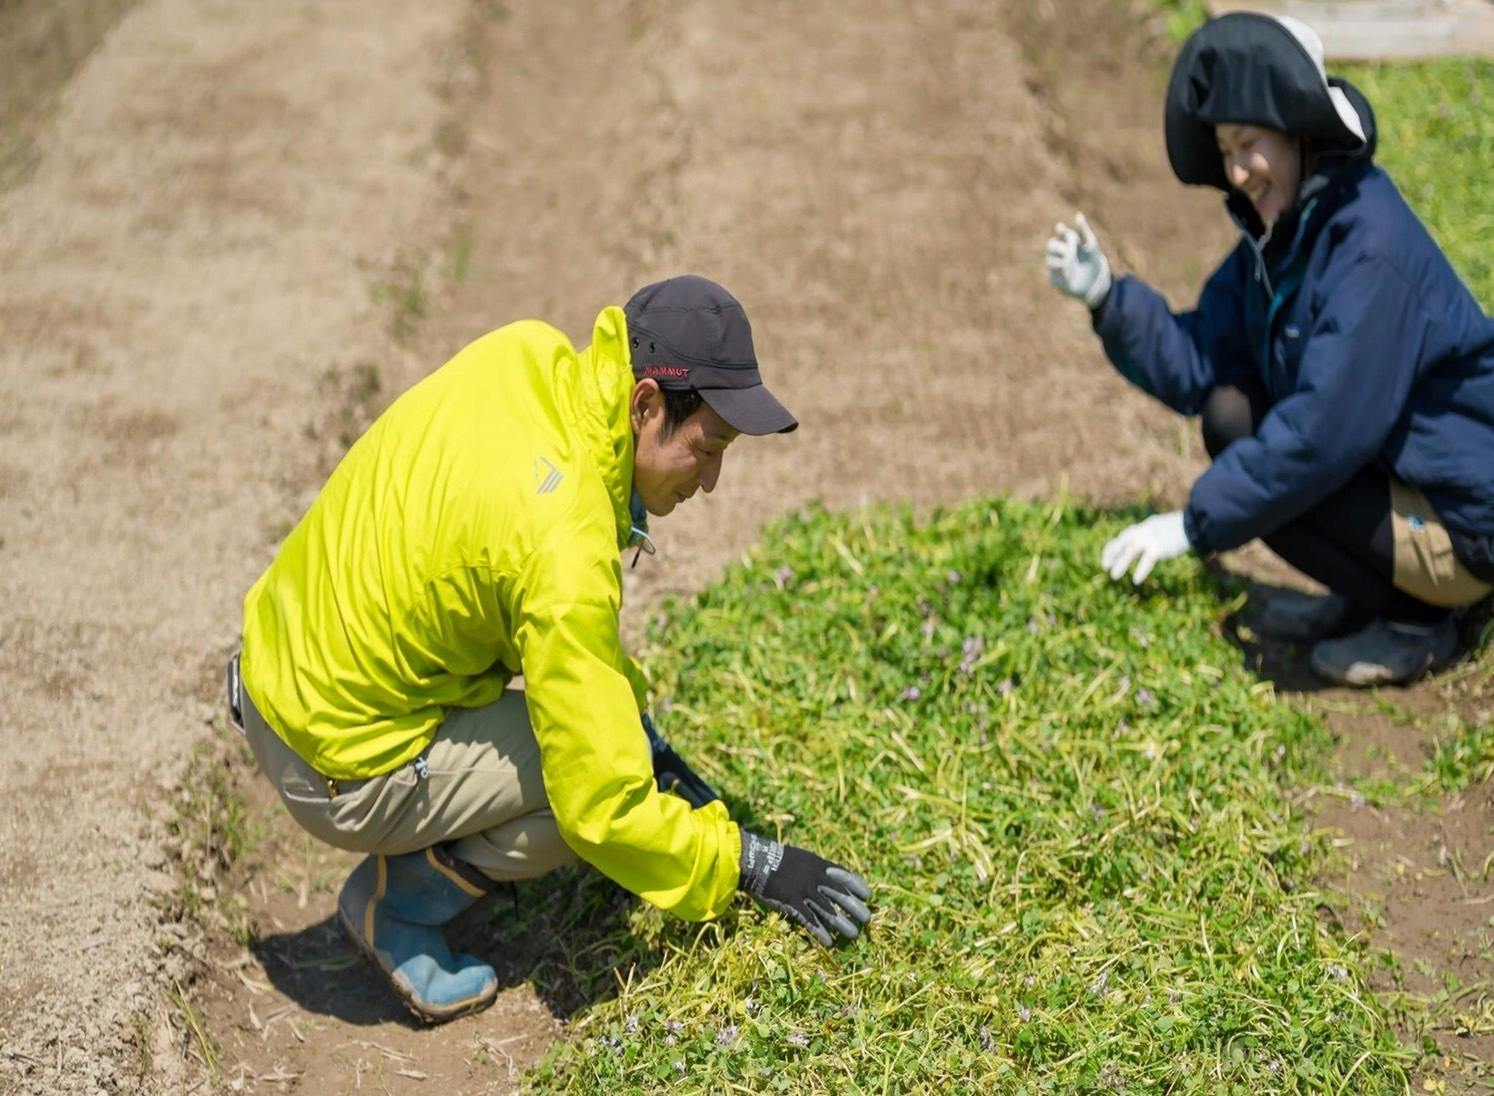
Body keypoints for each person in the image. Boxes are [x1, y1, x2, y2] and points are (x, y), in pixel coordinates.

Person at [229, 275, 872, 1023]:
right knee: (574, 787)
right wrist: (750, 864)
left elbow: (514, 592)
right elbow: (601, 804)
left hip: (278, 657)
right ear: (645, 405)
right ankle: (396, 910)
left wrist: (634, 722)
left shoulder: (528, 356)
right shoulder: (564, 541)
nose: (714, 481)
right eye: (706, 449)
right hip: (329, 755)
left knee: (611, 736)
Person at [1044, 12, 1494, 686]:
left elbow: (1321, 435)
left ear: (1299, 128)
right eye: (1224, 149)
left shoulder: (1368, 247)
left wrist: (1195, 525)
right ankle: (1372, 596)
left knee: (1278, 462)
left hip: (1467, 523)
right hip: (1401, 484)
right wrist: (1109, 298)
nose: (1236, 170)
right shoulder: (1278, 244)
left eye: (1248, 143)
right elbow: (1201, 362)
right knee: (1231, 417)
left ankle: (1419, 623)